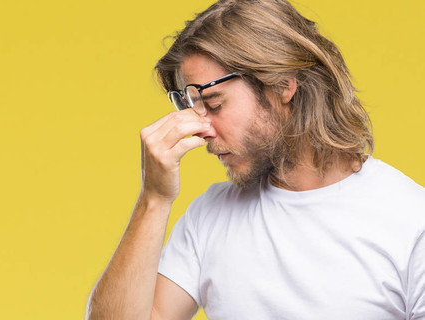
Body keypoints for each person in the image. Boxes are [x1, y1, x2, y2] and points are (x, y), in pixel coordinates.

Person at [85, 0, 425, 319]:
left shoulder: (412, 221)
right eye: (192, 107)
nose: (200, 128)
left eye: (214, 103)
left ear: (281, 85)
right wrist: (154, 199)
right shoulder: (208, 217)